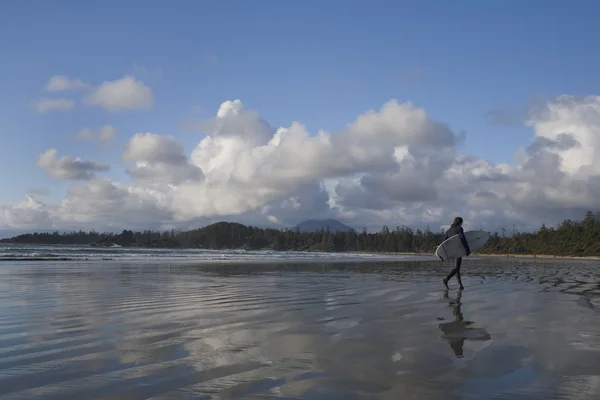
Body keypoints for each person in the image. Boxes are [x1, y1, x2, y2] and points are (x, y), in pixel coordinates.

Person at [443, 217, 471, 290]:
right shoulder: (459, 228)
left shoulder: (448, 231)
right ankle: (446, 279)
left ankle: (460, 285)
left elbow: (444, 242)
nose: (462, 224)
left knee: (457, 268)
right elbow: (462, 238)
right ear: (460, 222)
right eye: (461, 223)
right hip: (458, 250)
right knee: (457, 268)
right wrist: (467, 249)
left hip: (452, 251)